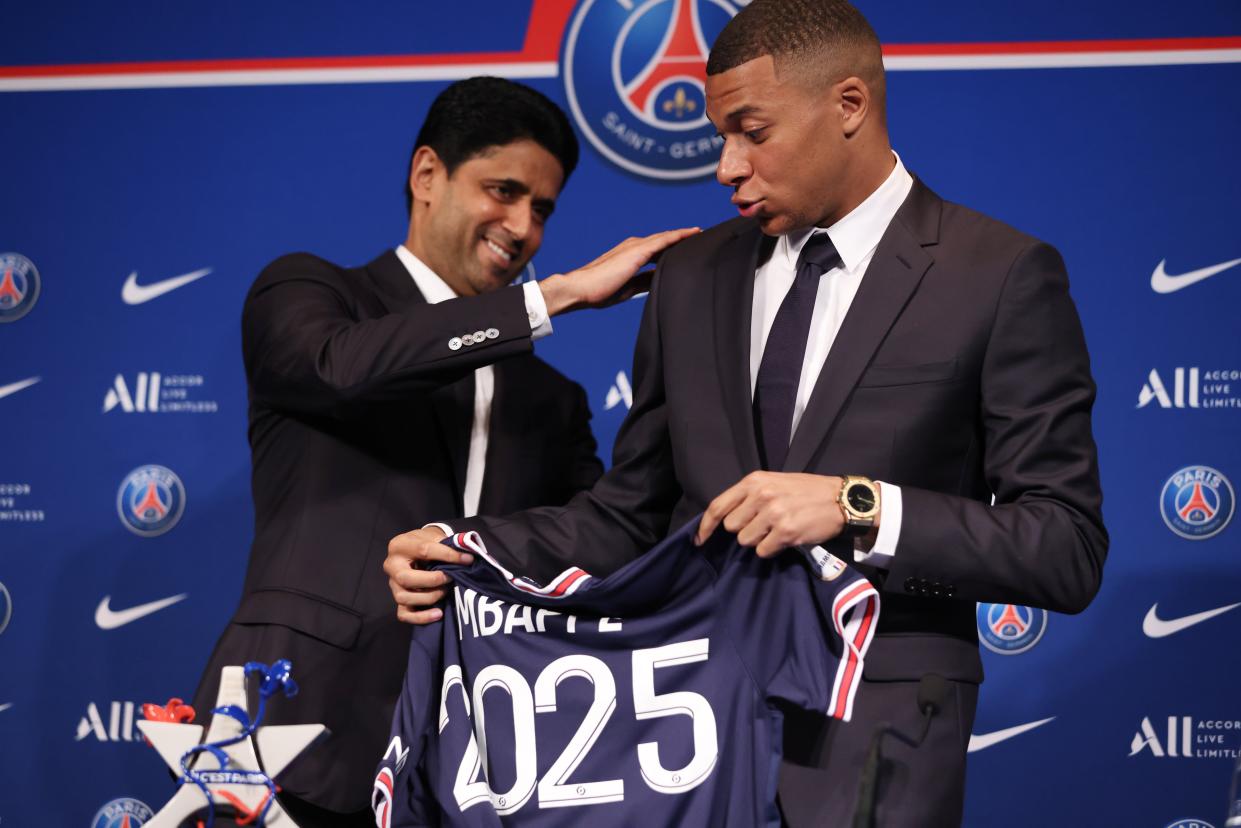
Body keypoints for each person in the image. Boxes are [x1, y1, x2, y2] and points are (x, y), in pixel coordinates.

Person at [386, 2, 1108, 825]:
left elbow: (1064, 546)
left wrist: (854, 505)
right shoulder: (692, 276)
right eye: (719, 136)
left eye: (750, 131)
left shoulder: (999, 274)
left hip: (875, 739)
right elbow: (633, 513)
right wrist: (473, 548)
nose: (726, 166)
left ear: (848, 106)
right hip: (684, 736)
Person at [193, 76, 696, 827]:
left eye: (543, 209)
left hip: (478, 759)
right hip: (288, 731)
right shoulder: (310, 295)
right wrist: (549, 299)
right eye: (503, 191)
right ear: (427, 175)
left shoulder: (551, 398)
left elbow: (606, 543)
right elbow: (341, 369)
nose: (522, 226)